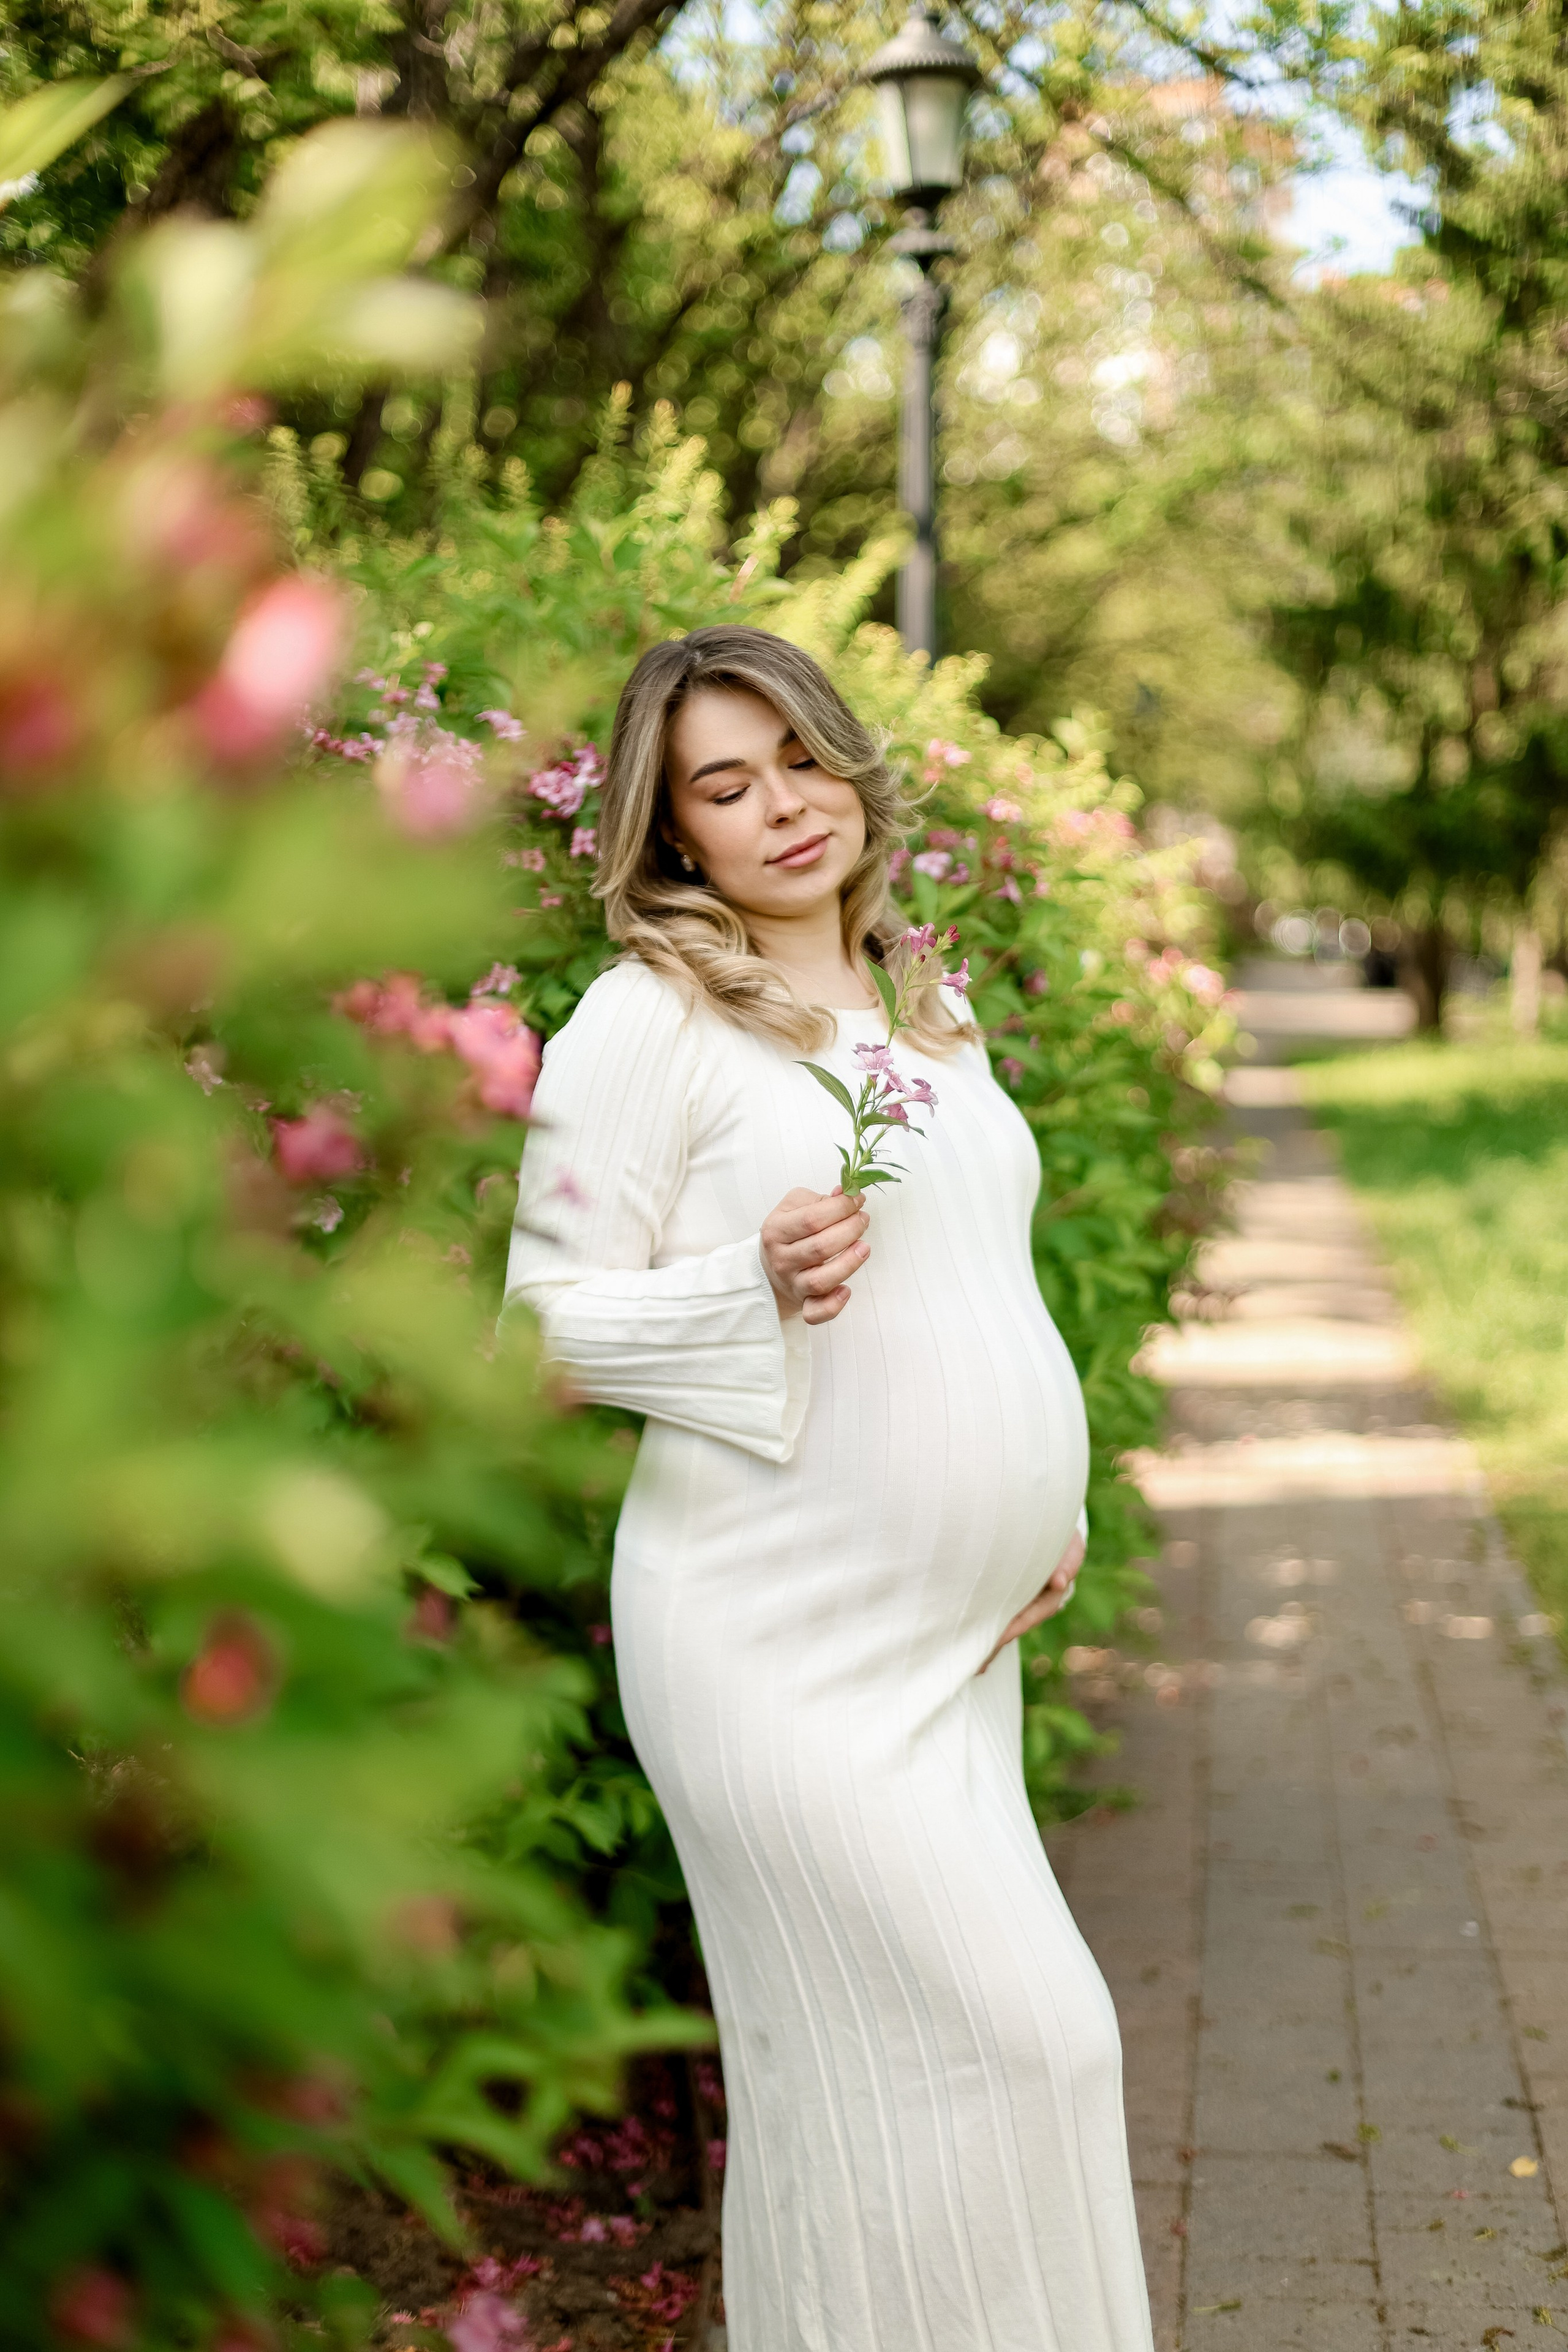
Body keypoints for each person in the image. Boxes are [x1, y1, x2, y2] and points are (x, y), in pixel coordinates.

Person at [505, 626, 1154, 2352]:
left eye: (799, 758)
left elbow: (975, 1279)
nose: (783, 806)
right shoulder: (646, 1020)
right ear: (672, 833)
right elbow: (534, 1334)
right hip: (772, 1642)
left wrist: (1046, 1501)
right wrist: (748, 1284)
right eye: (726, 786)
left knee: (896, 2090)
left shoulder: (921, 1001)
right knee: (1031, 2043)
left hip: (954, 1649)